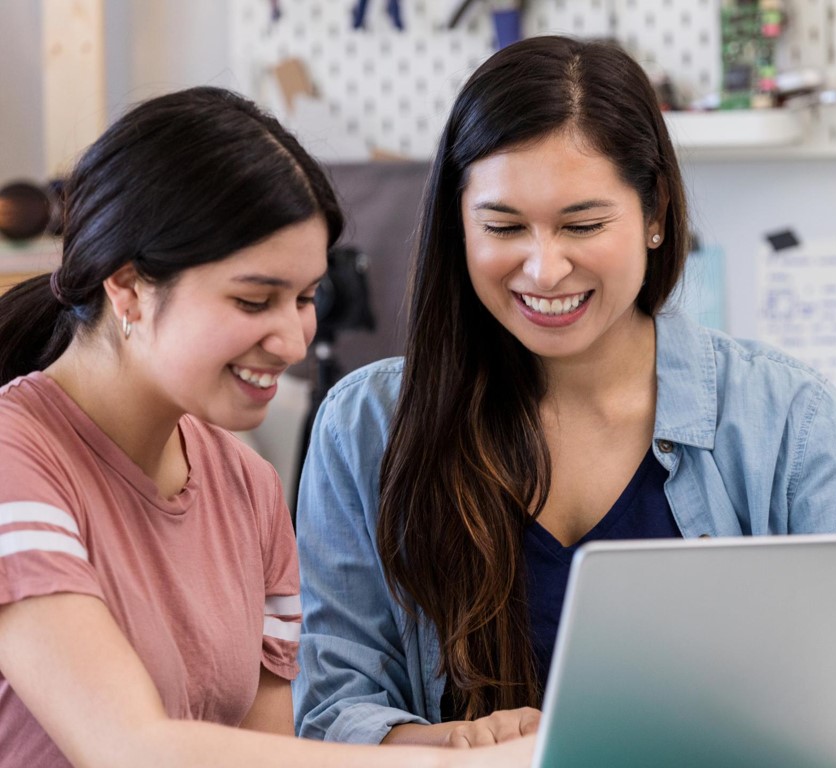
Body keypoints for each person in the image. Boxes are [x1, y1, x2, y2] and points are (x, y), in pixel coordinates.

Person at [294, 35, 836, 749]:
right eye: (503, 226)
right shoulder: (365, 426)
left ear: (656, 215)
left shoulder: (785, 415)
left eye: (583, 224)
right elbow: (333, 710)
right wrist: (465, 748)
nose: (545, 269)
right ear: (459, 226)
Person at [0, 87, 531, 768]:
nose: (292, 340)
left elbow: (264, 756)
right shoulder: (18, 459)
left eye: (307, 298)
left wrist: (460, 740)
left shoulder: (246, 486)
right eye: (255, 299)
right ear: (127, 286)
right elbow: (129, 748)